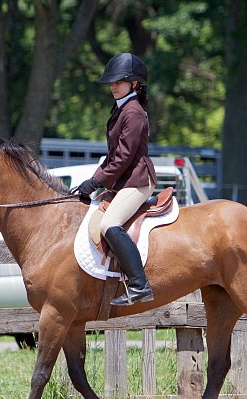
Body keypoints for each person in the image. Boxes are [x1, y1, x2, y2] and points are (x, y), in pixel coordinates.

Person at [74, 53, 157, 306]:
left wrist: (96, 181)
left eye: (118, 81)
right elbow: (113, 156)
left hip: (138, 180)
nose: (113, 86)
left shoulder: (133, 113)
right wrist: (92, 180)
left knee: (109, 223)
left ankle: (139, 285)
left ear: (134, 84)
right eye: (111, 82)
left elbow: (122, 158)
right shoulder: (121, 109)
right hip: (125, 180)